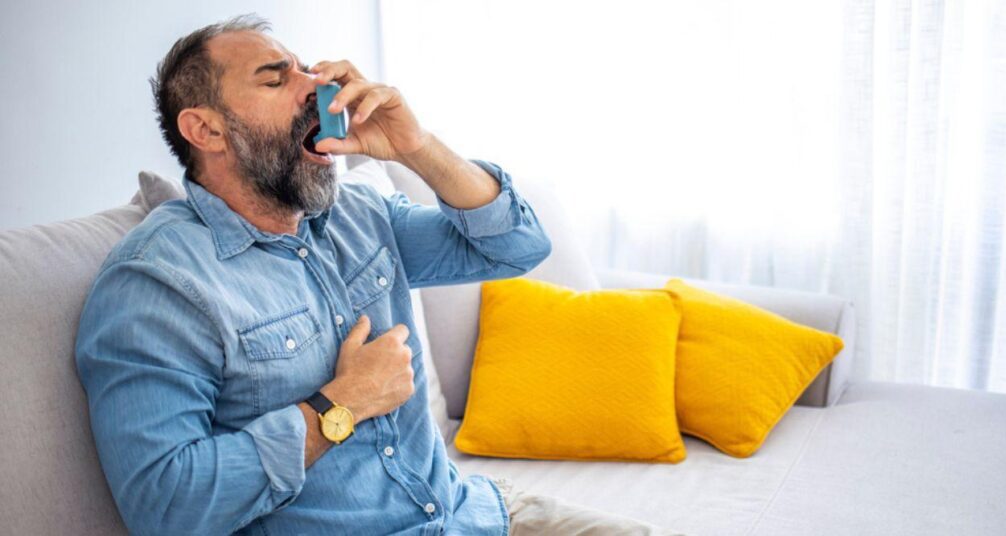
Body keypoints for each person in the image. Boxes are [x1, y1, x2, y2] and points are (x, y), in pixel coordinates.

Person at [74, 14, 684, 536]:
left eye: (305, 68)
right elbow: (166, 507)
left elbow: (516, 248)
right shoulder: (157, 286)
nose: (316, 86)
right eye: (276, 76)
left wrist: (415, 146)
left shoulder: (354, 212)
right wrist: (340, 406)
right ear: (205, 129)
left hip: (466, 514)